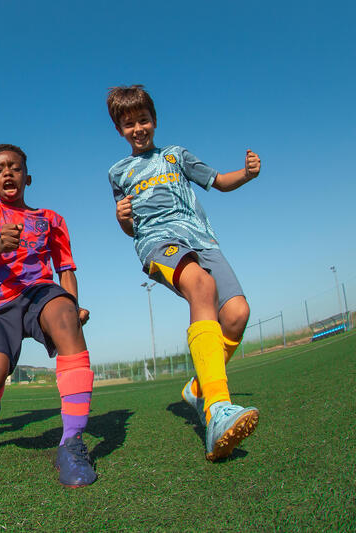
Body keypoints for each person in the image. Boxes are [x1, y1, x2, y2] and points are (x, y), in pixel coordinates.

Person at [106, 84, 261, 461]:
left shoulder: (177, 156)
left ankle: (197, 387)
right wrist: (121, 218)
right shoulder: (118, 172)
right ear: (119, 129)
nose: (138, 128)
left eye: (143, 120)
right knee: (200, 285)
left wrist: (247, 173)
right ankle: (217, 411)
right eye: (129, 124)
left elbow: (219, 182)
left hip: (203, 241)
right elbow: (130, 226)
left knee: (238, 315)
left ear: (154, 121)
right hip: (158, 243)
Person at [0, 144, 96, 488]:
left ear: (27, 176)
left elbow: (66, 268)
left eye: (15, 167)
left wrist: (72, 305)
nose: (8, 172)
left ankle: (71, 443)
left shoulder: (52, 220)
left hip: (38, 293)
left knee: (64, 312)